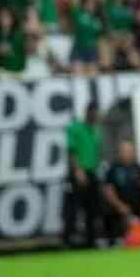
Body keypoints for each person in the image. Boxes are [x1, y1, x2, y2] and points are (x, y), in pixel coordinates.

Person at [63, 101, 103, 248]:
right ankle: (68, 241)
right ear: (88, 113)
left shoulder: (97, 130)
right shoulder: (75, 128)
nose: (96, 117)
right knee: (73, 209)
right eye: (94, 114)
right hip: (78, 172)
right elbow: (71, 151)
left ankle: (90, 242)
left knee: (92, 208)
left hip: (92, 172)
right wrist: (78, 170)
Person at [103, 141, 140, 246]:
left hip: (138, 204)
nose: (127, 153)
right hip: (119, 204)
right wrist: (120, 206)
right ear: (119, 153)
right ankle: (114, 242)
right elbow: (108, 190)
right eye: (124, 151)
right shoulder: (113, 169)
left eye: (129, 151)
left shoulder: (138, 168)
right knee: (109, 212)